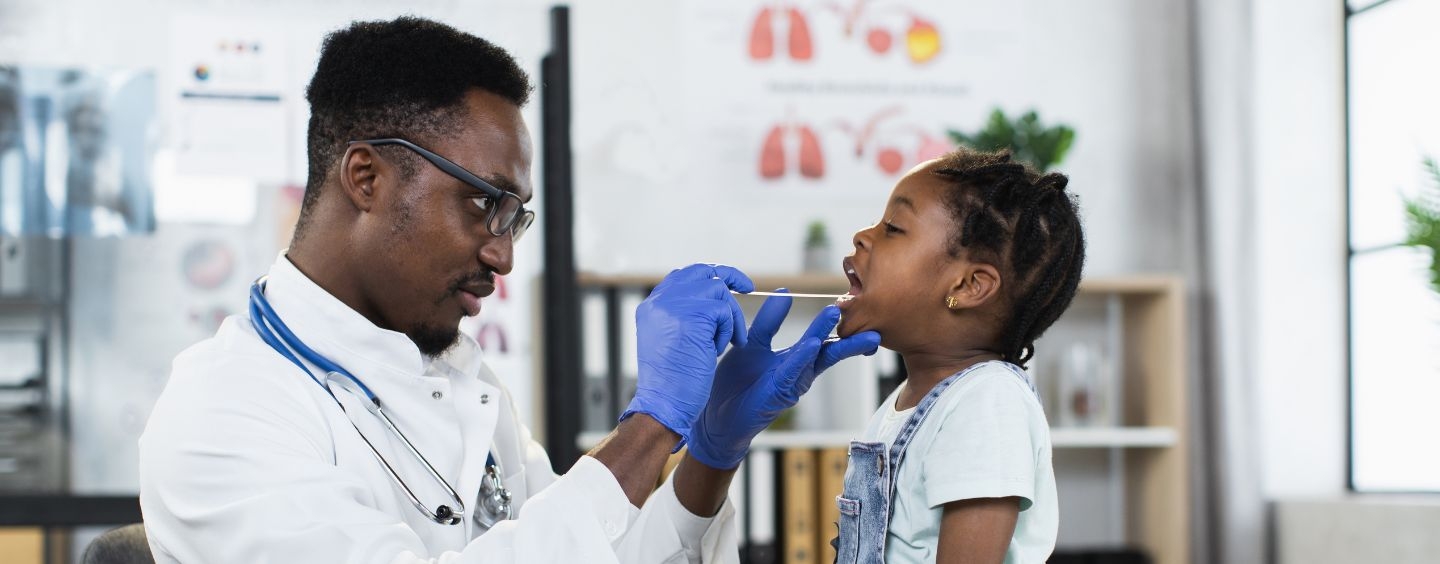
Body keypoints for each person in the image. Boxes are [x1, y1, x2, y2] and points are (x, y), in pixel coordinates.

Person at [138, 17, 879, 563]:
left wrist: (712, 448)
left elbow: (592, 551)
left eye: (515, 218)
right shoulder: (226, 412)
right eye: (481, 203)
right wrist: (649, 427)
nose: (502, 255)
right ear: (366, 178)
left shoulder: (456, 377)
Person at [830, 148, 1085, 563]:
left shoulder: (988, 403)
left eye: (893, 228)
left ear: (968, 286)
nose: (863, 235)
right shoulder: (907, 404)